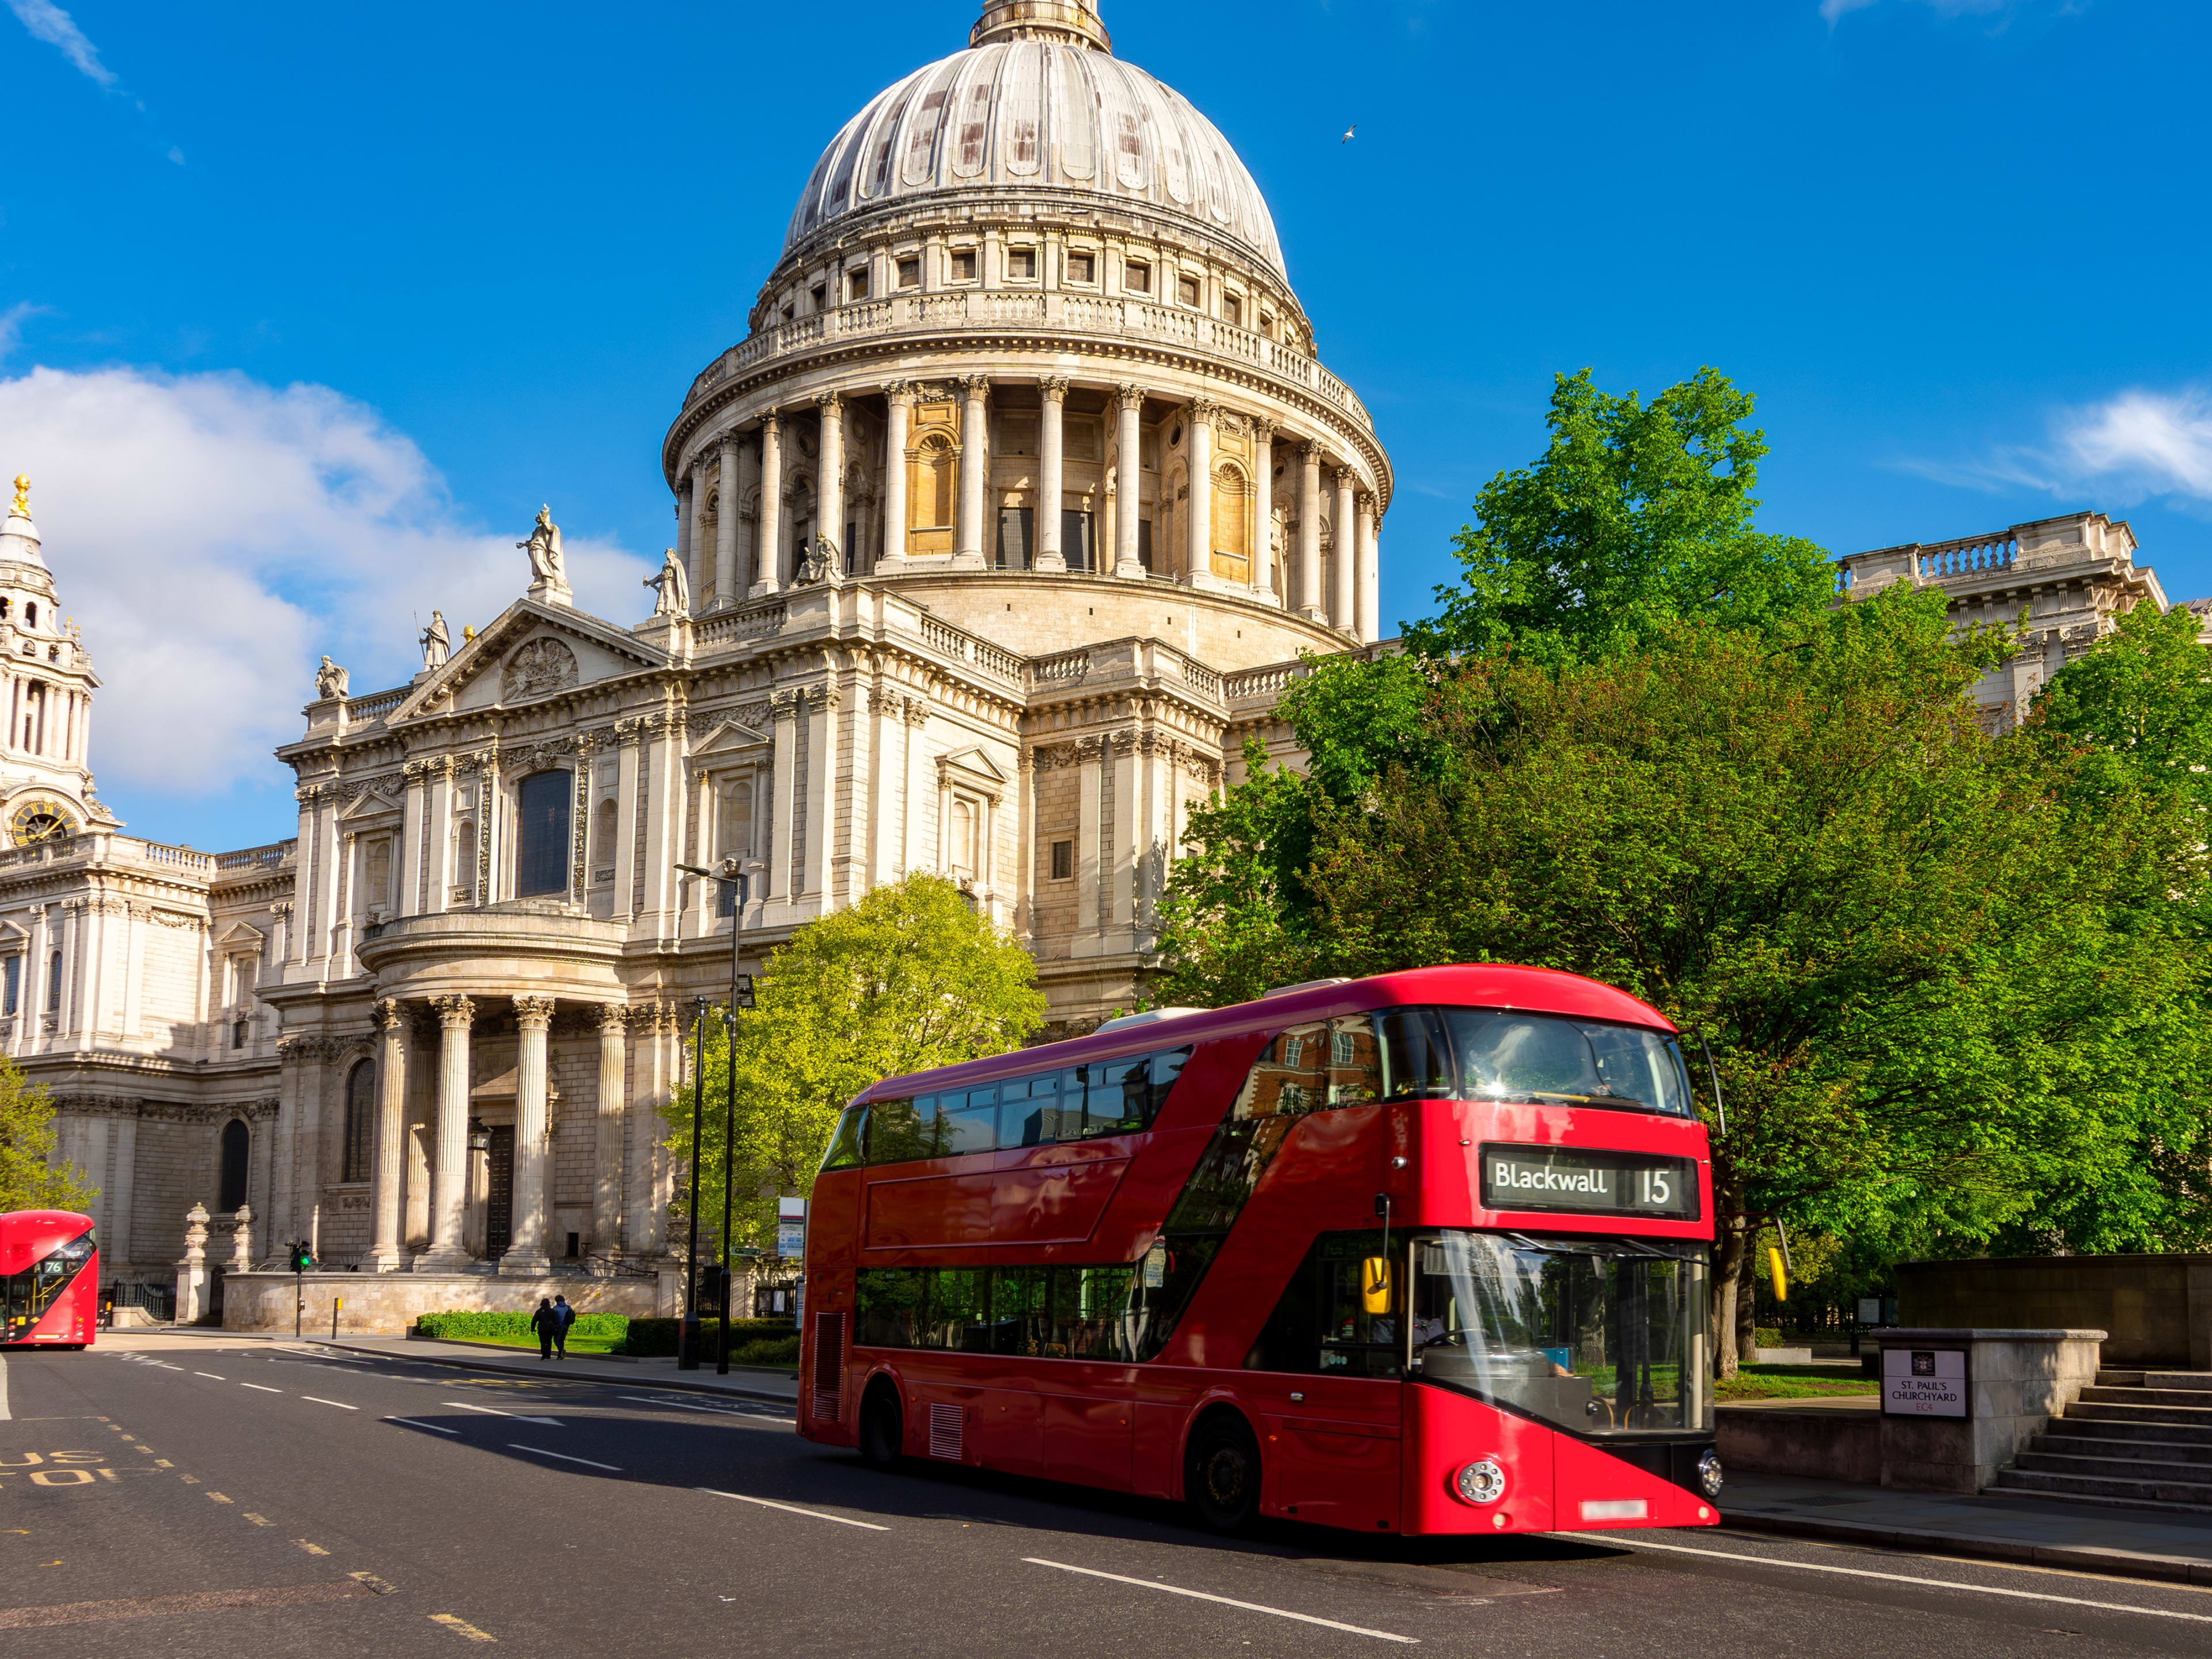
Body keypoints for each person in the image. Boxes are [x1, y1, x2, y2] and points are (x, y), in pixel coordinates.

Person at [529, 1297, 557, 1361]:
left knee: (543, 1342)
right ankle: (548, 1355)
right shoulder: (552, 1311)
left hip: (541, 1328)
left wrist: (532, 1328)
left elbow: (534, 1320)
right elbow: (556, 1320)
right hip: (550, 1328)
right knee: (549, 1342)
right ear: (549, 1304)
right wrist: (556, 1326)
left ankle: (544, 1355)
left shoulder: (539, 1311)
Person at [552, 1294, 575, 1360]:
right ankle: (560, 1355)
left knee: (556, 1340)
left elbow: (554, 1318)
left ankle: (561, 1350)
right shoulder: (568, 1307)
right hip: (566, 1325)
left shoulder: (555, 1308)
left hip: (559, 1326)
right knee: (562, 1340)